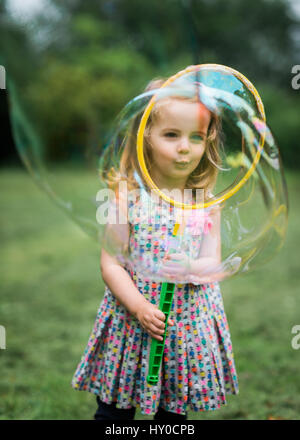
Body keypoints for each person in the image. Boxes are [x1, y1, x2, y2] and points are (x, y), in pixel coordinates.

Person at [71, 73, 239, 420]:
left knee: (172, 414)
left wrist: (193, 268)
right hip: (133, 323)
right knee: (114, 413)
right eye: (171, 135)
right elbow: (111, 264)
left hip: (185, 326)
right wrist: (138, 307)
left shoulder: (206, 203)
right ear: (146, 136)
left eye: (196, 137)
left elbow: (213, 262)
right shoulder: (127, 198)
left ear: (208, 140)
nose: (184, 147)